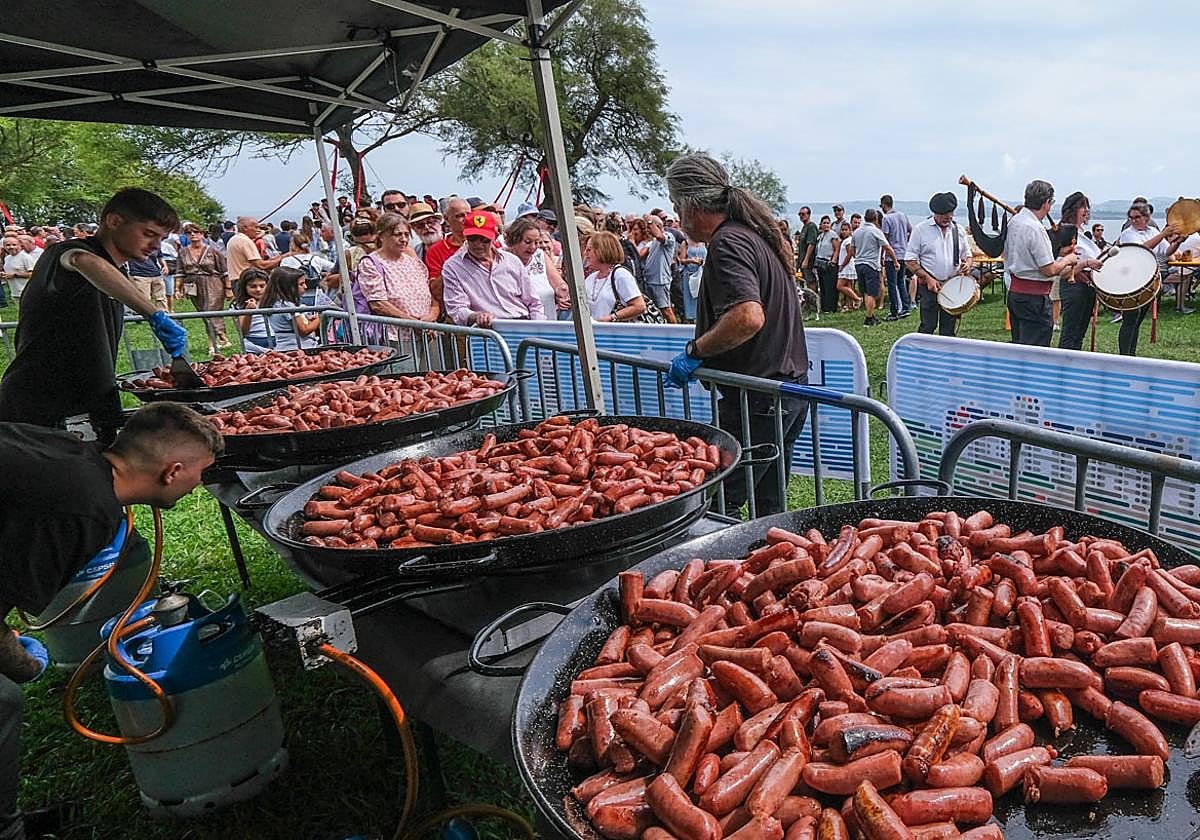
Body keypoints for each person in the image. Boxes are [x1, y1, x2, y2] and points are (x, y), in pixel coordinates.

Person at [0, 402, 222, 840]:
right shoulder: (81, 508)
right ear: (172, 472)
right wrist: (20, 663)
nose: (200, 485)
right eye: (202, 473)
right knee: (3, 700)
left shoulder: (75, 455)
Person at [663, 152, 809, 517]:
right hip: (782, 392)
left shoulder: (729, 243)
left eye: (675, 206)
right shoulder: (751, 236)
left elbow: (748, 316)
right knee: (769, 505)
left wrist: (696, 350)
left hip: (758, 398)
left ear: (690, 205)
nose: (677, 219)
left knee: (718, 503)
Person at [0, 188, 188, 443]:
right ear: (114, 221)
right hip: (41, 403)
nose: (156, 246)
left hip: (91, 403)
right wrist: (154, 313)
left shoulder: (117, 274)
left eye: (161, 237)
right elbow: (82, 261)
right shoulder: (64, 253)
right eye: (148, 234)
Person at [1004, 179, 1078, 347]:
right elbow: (1048, 270)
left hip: (1016, 295)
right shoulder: (1035, 228)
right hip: (1034, 299)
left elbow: (1027, 255)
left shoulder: (1015, 221)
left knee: (1020, 348)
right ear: (1046, 203)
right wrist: (1068, 259)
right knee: (1035, 351)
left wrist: (1059, 253)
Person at [441, 212, 544, 327]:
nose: (478, 244)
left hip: (522, 325)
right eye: (472, 238)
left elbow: (533, 302)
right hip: (487, 331)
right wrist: (476, 316)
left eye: (484, 239)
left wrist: (538, 327)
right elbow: (457, 309)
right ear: (465, 236)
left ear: (495, 236)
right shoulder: (453, 267)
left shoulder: (512, 261)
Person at [355, 214, 439, 348]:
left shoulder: (415, 262)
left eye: (406, 234)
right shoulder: (371, 263)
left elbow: (432, 298)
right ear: (382, 236)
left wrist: (431, 318)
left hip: (429, 333)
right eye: (397, 234)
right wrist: (413, 323)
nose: (404, 239)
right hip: (396, 336)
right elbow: (378, 303)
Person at [1116, 200, 1181, 356]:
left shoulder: (1152, 231)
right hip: (1131, 280)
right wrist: (1163, 234)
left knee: (1137, 321)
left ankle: (1131, 353)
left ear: (1146, 217)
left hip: (1148, 280)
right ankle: (1125, 355)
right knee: (1130, 320)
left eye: (1137, 217)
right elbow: (1141, 249)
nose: (1133, 220)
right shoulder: (1128, 233)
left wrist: (1179, 241)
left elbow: (1167, 251)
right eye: (1131, 217)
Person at [904, 191, 973, 337]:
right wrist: (928, 278)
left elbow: (967, 255)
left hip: (952, 286)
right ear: (935, 213)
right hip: (929, 287)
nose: (948, 217)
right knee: (928, 326)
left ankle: (947, 357)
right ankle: (923, 355)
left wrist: (967, 264)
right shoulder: (920, 230)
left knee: (949, 329)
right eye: (943, 214)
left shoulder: (958, 230)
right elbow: (909, 260)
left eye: (950, 213)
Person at [1057, 192, 1105, 351]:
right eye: (1082, 206)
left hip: (1087, 288)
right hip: (1074, 287)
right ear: (1072, 210)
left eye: (1087, 207)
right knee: (1070, 334)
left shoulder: (1084, 233)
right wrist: (1086, 263)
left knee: (1079, 334)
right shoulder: (1065, 232)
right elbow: (1063, 269)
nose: (1086, 210)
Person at [175, 223, 231, 355]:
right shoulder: (183, 252)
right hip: (193, 286)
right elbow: (180, 272)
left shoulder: (213, 251)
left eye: (196, 232)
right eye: (189, 233)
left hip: (213, 284)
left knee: (209, 312)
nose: (193, 235)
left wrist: (228, 288)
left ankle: (212, 343)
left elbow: (225, 271)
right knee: (203, 314)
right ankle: (223, 338)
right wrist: (177, 289)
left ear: (201, 234)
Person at [506, 217, 571, 320]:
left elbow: (558, 284)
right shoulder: (503, 260)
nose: (533, 247)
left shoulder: (540, 255)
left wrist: (562, 293)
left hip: (547, 322)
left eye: (536, 242)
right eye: (527, 242)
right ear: (514, 241)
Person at [581, 231, 646, 323]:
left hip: (616, 334)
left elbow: (639, 306)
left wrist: (612, 317)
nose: (585, 254)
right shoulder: (591, 278)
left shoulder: (621, 275)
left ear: (601, 250)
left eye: (589, 250)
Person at [849, 209, 897, 327]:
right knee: (871, 292)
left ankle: (870, 313)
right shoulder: (875, 231)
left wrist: (858, 256)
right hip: (871, 264)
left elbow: (852, 249)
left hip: (859, 264)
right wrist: (895, 261)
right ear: (876, 219)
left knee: (865, 291)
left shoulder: (857, 232)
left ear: (864, 218)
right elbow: (887, 247)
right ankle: (869, 318)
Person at [260, 267, 320, 350]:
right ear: (288, 287)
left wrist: (308, 320)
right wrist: (319, 319)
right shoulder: (287, 305)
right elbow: (304, 330)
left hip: (285, 347)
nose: (305, 287)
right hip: (298, 348)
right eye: (301, 284)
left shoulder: (275, 303)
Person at [638, 214, 678, 323]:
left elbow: (659, 236)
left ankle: (675, 334)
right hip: (650, 280)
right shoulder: (653, 242)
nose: (648, 229)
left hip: (660, 281)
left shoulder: (668, 237)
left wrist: (649, 220)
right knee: (654, 310)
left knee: (666, 310)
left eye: (650, 227)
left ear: (658, 226)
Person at [880, 194, 912, 320]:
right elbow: (910, 229)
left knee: (892, 283)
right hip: (903, 253)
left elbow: (885, 239)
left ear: (883, 205)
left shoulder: (886, 219)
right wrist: (905, 241)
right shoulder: (902, 216)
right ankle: (905, 306)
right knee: (901, 281)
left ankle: (895, 310)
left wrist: (882, 255)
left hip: (891, 255)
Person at [226, 216, 283, 282]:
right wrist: (282, 258)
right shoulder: (245, 241)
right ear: (245, 228)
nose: (258, 230)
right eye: (256, 227)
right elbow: (261, 265)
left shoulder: (235, 239)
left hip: (236, 279)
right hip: (245, 281)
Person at [231, 268, 273, 353]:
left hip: (275, 340)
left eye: (262, 286)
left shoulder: (274, 301)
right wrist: (248, 312)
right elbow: (243, 330)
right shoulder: (238, 304)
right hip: (253, 343)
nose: (258, 289)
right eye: (253, 286)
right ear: (244, 287)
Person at [678, 231, 707, 323]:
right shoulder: (685, 243)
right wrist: (691, 260)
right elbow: (681, 259)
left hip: (702, 274)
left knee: (702, 297)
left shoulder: (705, 242)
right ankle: (690, 319)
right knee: (690, 298)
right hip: (689, 275)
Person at [834, 220, 862, 312]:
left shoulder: (849, 241)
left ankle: (857, 299)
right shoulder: (845, 240)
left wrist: (842, 265)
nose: (843, 231)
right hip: (845, 265)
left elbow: (850, 253)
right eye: (842, 229)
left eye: (846, 229)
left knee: (840, 286)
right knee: (848, 285)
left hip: (847, 266)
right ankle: (850, 305)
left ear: (850, 231)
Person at [814, 215, 839, 313]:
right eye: (824, 223)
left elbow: (837, 248)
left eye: (827, 223)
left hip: (829, 263)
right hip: (820, 263)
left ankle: (831, 307)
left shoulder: (833, 235)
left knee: (830, 287)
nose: (826, 225)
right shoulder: (820, 236)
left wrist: (833, 261)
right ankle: (824, 307)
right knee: (823, 286)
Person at [0, 239, 36, 304]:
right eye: (8, 245)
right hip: (15, 292)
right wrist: (3, 275)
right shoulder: (7, 258)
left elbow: (33, 274)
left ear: (20, 246)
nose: (11, 247)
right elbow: (9, 273)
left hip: (27, 292)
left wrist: (14, 275)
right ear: (4, 246)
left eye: (14, 245)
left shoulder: (26, 257)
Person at [795, 206, 818, 295]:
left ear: (808, 215)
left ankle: (814, 299)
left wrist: (806, 260)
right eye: (800, 214)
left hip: (809, 260)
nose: (801, 216)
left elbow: (811, 244)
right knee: (805, 280)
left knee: (810, 280)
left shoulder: (811, 227)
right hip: (802, 257)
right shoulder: (804, 227)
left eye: (803, 214)